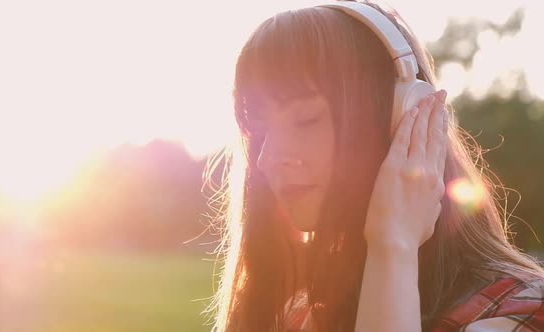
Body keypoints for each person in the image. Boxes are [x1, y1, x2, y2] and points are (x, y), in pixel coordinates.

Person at [203, 0, 544, 331]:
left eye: (306, 120)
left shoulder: (520, 313)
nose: (268, 158)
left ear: (404, 116)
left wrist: (393, 246)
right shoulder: (298, 315)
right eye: (260, 131)